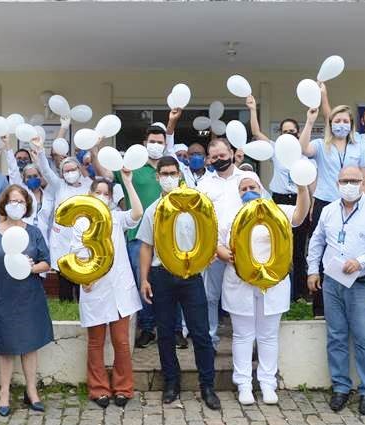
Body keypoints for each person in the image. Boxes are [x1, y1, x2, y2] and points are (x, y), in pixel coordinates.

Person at [306, 166, 365, 415]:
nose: (349, 184)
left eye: (355, 180)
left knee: (364, 338)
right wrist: (312, 270)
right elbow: (316, 241)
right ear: (337, 183)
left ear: (364, 182)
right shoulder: (328, 211)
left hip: (363, 282)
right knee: (335, 336)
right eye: (345, 180)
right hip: (332, 281)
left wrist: (363, 261)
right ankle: (340, 387)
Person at [216, 173, 309, 405]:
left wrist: (302, 189)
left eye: (252, 186)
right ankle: (244, 384)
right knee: (243, 335)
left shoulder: (276, 210)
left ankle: (268, 384)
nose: (248, 190)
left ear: (261, 187)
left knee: (268, 336)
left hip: (273, 283)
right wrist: (221, 251)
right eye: (243, 187)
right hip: (240, 282)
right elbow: (214, 239)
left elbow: (299, 216)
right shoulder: (230, 214)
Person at [137, 157, 221, 410]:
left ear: (180, 175)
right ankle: (171, 383)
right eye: (164, 173)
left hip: (190, 277)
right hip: (161, 275)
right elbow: (146, 247)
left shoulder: (195, 206)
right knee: (165, 333)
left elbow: (208, 237)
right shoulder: (154, 210)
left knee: (201, 333)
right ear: (157, 177)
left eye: (173, 173)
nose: (169, 177)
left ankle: (208, 386)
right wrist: (143, 280)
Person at [95, 125, 183, 349]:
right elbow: (104, 172)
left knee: (175, 280)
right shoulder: (131, 166)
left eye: (160, 142)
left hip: (170, 237)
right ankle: (147, 327)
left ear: (165, 144)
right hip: (137, 235)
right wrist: (95, 147)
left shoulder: (171, 171)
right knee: (141, 281)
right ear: (145, 143)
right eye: (152, 141)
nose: (156, 145)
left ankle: (175, 330)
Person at [0, 185, 54, 416]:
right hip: (2, 296)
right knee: (5, 347)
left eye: (21, 202)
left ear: (27, 205)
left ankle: (32, 391)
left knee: (29, 346)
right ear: (4, 204)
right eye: (13, 201)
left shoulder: (34, 232)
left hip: (29, 296)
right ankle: (4, 393)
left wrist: (30, 268)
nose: (16, 206)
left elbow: (46, 262)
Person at [76, 173, 143, 408]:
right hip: (94, 286)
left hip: (119, 289)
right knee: (96, 342)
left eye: (106, 194)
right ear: (89, 195)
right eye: (98, 193)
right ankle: (99, 389)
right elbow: (76, 253)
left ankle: (123, 388)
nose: (102, 197)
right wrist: (85, 277)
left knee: (121, 342)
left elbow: (137, 213)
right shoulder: (80, 222)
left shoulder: (116, 218)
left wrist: (127, 182)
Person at [247, 96, 311, 301]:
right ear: (280, 134)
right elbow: (256, 133)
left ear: (298, 133)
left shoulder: (304, 151)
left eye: (293, 131)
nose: (289, 134)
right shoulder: (275, 148)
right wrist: (252, 109)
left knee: (299, 249)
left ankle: (300, 294)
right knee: (278, 245)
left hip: (301, 200)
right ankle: (279, 289)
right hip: (280, 200)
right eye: (285, 131)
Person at [300, 105, 362, 318]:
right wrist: (310, 121)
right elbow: (303, 149)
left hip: (352, 205)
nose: (341, 125)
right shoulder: (320, 145)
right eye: (337, 121)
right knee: (322, 251)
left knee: (350, 250)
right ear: (330, 124)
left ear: (351, 125)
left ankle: (348, 303)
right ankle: (320, 307)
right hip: (325, 203)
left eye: (346, 121)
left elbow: (364, 176)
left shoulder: (357, 147)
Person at [197, 137, 250, 348]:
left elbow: (262, 209)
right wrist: (216, 248)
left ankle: (247, 341)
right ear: (209, 160)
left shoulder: (247, 177)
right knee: (210, 296)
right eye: (215, 157)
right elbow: (200, 220)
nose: (220, 159)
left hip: (246, 250)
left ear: (231, 152)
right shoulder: (203, 185)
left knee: (245, 298)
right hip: (214, 250)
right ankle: (211, 340)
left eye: (223, 155)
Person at [38, 155, 91, 302]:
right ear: (62, 174)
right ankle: (65, 303)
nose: (70, 173)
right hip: (61, 237)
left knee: (81, 270)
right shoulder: (59, 185)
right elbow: (46, 171)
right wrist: (40, 150)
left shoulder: (89, 185)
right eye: (66, 171)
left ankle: (81, 302)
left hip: (83, 237)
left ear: (79, 169)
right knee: (64, 272)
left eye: (73, 169)